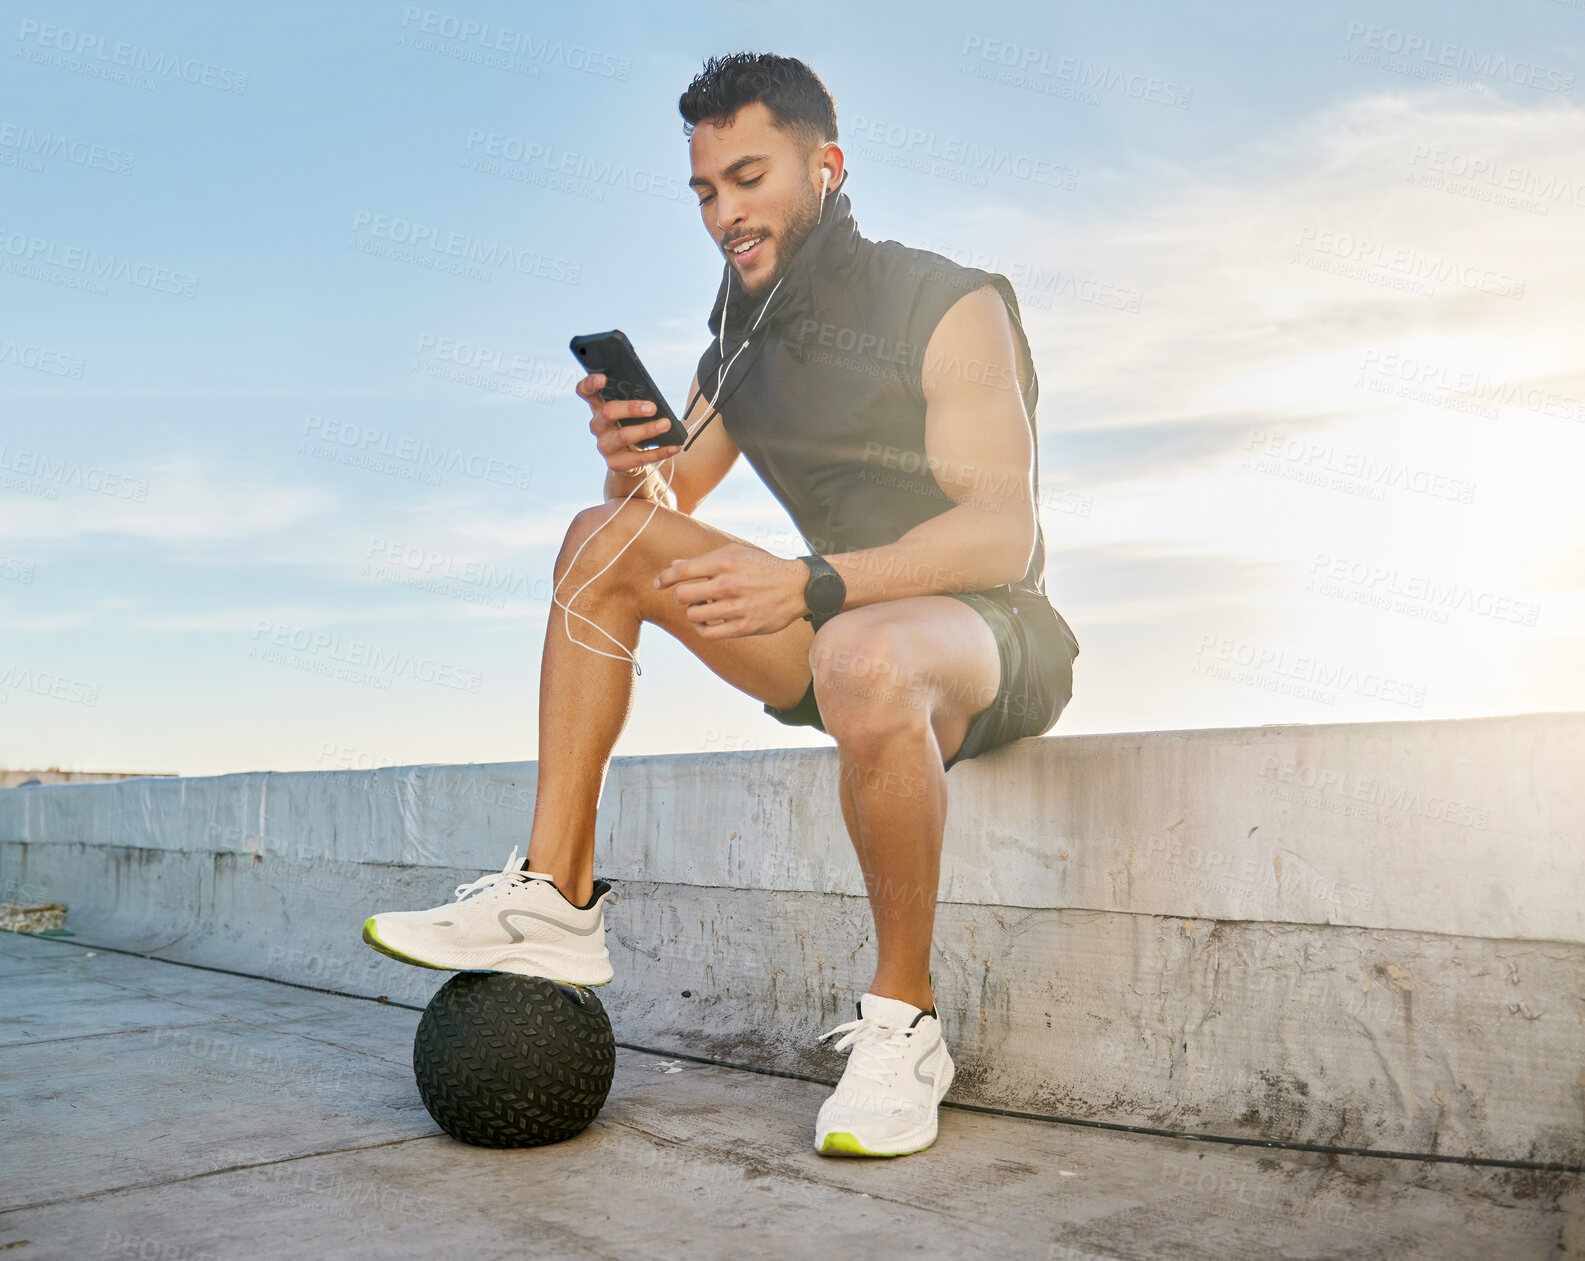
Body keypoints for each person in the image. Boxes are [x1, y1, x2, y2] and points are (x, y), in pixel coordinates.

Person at [363, 52, 1079, 1159]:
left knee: (864, 657)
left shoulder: (951, 302)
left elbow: (1000, 531)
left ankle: (905, 1022)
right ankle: (555, 892)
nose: (723, 213)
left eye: (747, 178)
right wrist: (625, 456)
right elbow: (662, 506)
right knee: (599, 540)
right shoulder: (737, 342)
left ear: (825, 167)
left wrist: (815, 583)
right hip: (834, 619)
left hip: (980, 630)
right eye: (704, 190)